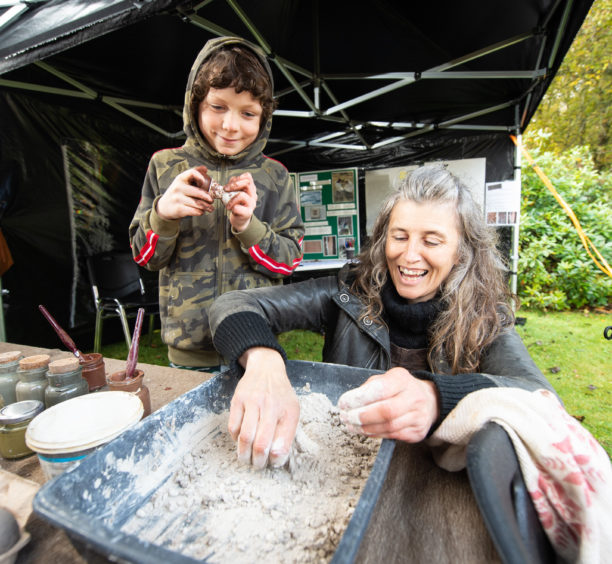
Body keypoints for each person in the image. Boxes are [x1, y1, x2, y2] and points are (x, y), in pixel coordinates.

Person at [209, 164, 555, 469]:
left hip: (431, 483)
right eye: (399, 236)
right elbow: (232, 303)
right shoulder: (346, 293)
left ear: (462, 252)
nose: (409, 255)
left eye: (431, 241)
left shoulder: (485, 318)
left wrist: (438, 398)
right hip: (343, 466)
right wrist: (264, 363)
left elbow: (538, 399)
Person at [129, 37, 304, 371]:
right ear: (195, 104)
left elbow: (289, 262)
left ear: (264, 118)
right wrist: (163, 214)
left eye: (248, 113)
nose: (230, 125)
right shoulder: (165, 166)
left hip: (255, 347)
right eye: (218, 106)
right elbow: (145, 258)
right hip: (188, 354)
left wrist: (247, 227)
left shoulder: (276, 176)